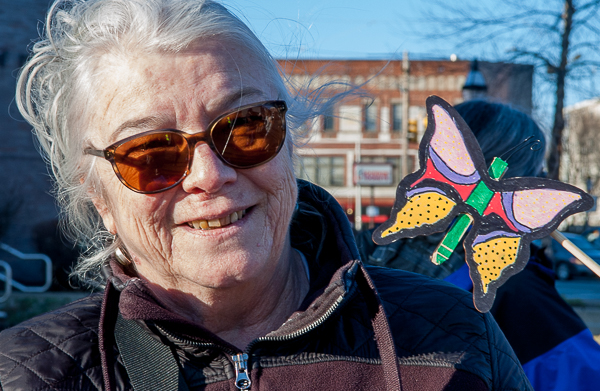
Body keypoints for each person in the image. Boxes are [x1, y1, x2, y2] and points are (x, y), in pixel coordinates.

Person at [0, 1, 532, 390]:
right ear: (100, 199)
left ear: (290, 142)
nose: (210, 175)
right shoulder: (26, 375)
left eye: (247, 127)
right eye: (152, 153)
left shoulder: (461, 338)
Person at [358, 100, 600, 391]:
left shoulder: (372, 260)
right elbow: (579, 379)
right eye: (540, 170)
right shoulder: (517, 293)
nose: (548, 179)